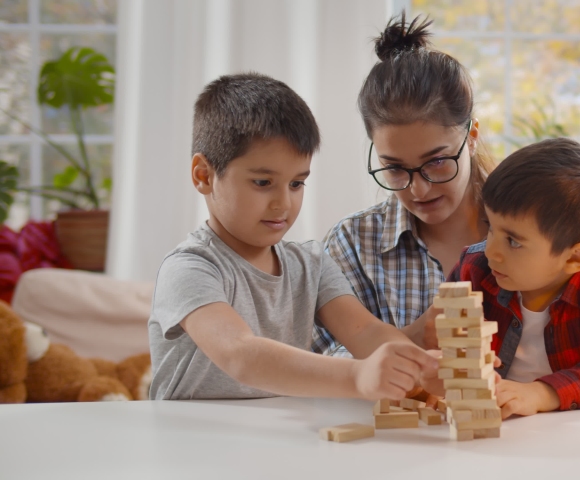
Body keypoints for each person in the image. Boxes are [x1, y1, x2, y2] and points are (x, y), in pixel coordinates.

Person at [148, 72, 438, 400]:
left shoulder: (311, 265)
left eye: (297, 183)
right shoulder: (189, 269)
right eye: (262, 183)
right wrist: (357, 376)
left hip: (279, 441)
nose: (283, 203)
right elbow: (239, 354)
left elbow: (367, 331)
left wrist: (423, 367)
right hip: (189, 443)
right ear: (204, 176)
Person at [313, 14, 495, 357]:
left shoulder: (532, 225)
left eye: (437, 162)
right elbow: (319, 361)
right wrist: (412, 337)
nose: (418, 190)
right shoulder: (353, 243)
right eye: (394, 168)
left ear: (470, 138)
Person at [447, 137, 580, 419]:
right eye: (490, 227)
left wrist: (542, 393)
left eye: (513, 241)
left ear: (574, 258)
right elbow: (449, 344)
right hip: (499, 426)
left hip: (577, 427)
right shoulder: (474, 267)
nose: (492, 251)